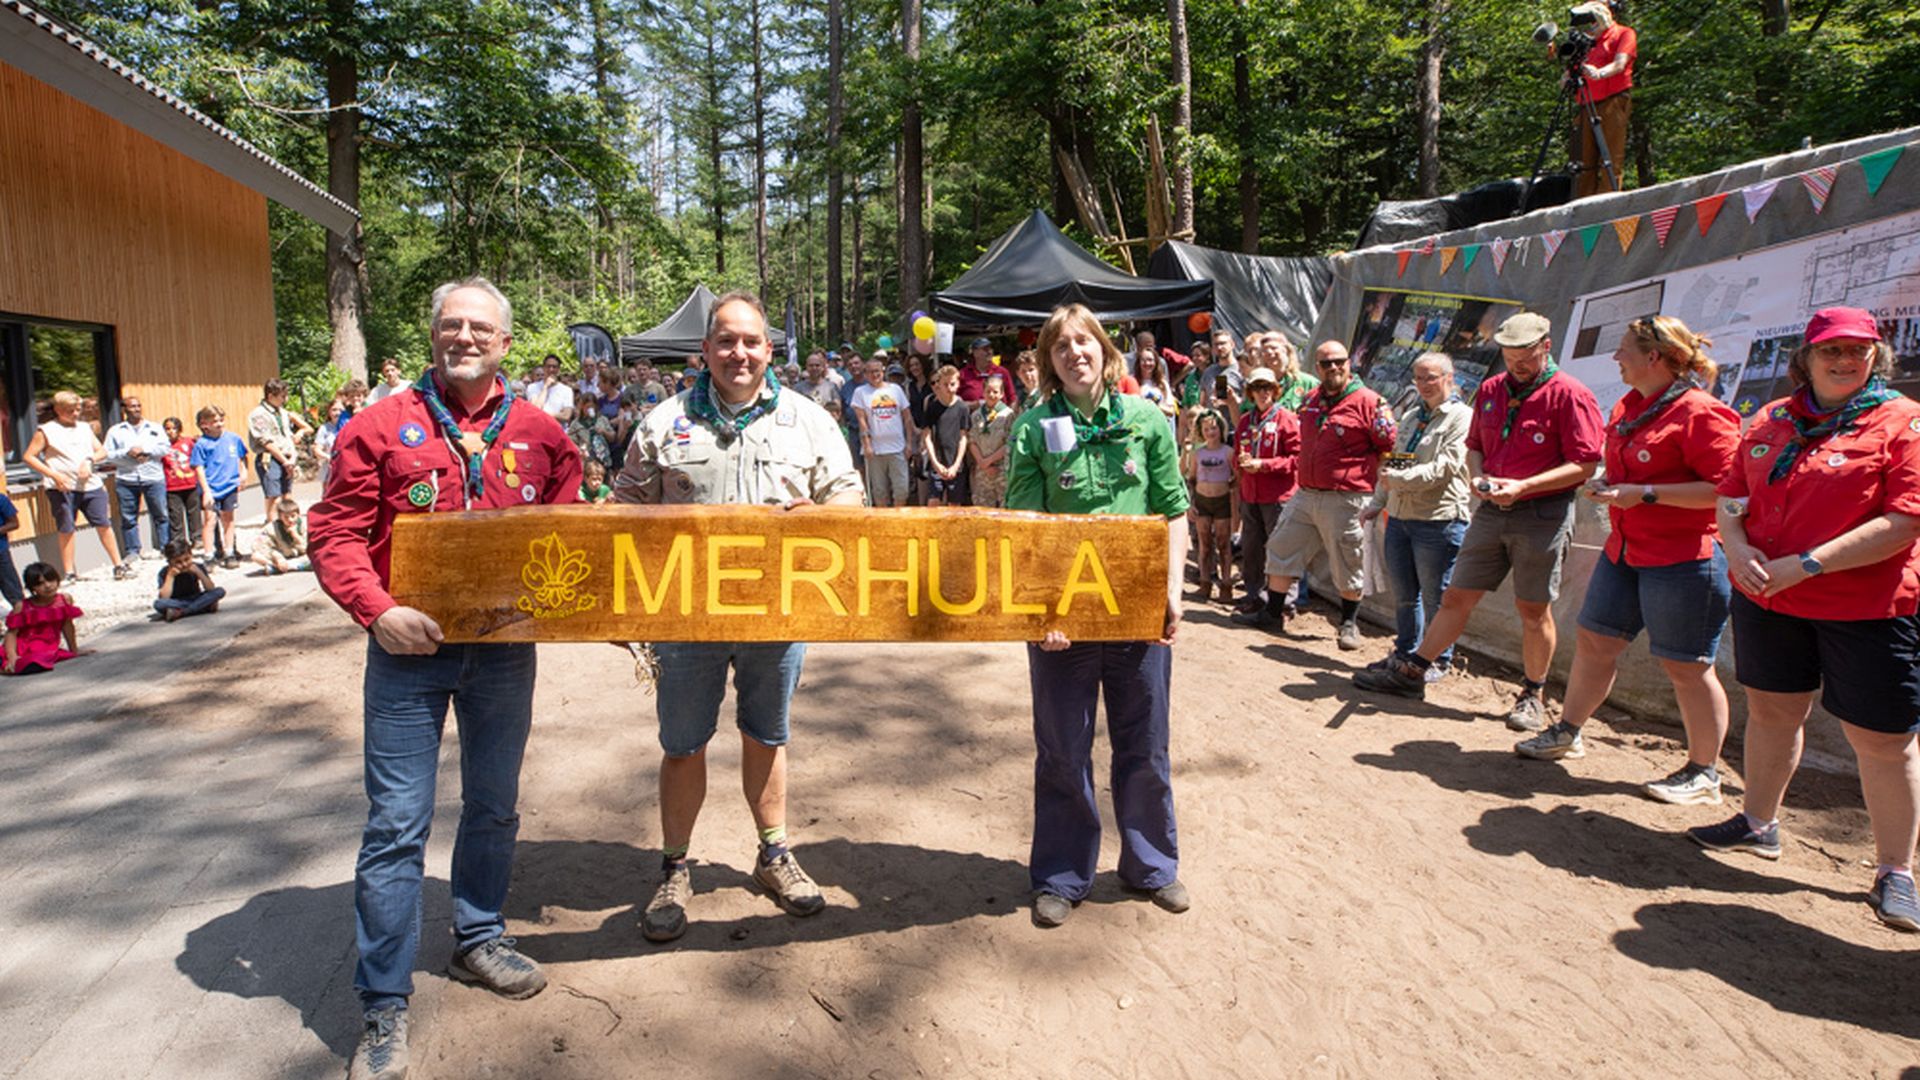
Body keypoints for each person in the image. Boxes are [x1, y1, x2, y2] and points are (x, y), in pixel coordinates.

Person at [310, 277, 581, 1080]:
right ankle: (383, 1004)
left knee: (494, 806)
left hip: (503, 653)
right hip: (406, 654)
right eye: (452, 325)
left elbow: (572, 530)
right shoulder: (376, 426)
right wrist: (375, 609)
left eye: (481, 328)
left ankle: (478, 937)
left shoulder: (541, 430)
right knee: (396, 824)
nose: (466, 337)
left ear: (506, 343)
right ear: (434, 336)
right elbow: (334, 532)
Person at [613, 290, 864, 944]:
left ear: (770, 349)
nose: (739, 353)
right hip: (684, 619)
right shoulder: (662, 423)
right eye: (725, 340)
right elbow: (622, 512)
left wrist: (822, 518)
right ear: (705, 349)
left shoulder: (810, 421)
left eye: (751, 341)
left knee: (766, 733)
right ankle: (674, 867)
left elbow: (851, 504)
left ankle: (774, 853)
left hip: (777, 616)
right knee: (683, 744)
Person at [1684, 307, 1920, 933]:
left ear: (1877, 357)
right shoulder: (1772, 418)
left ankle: (1895, 871)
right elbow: (1732, 496)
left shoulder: (1902, 421)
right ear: (1805, 358)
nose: (1846, 361)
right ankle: (1758, 823)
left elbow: (1906, 521)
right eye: (1831, 351)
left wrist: (1808, 564)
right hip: (1770, 599)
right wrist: (1734, 547)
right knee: (1772, 711)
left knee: (1882, 741)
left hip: (1865, 606)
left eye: (1859, 351)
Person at [1003, 302, 1191, 928]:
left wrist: (1172, 590)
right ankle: (1061, 874)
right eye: (1061, 347)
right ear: (1048, 362)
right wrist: (1041, 613)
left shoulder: (1146, 419)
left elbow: (1172, 511)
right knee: (1063, 747)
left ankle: (1151, 865)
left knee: (1146, 743)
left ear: (1105, 352)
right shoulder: (1034, 428)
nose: (1075, 353)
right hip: (1064, 623)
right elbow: (1025, 532)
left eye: (1085, 343)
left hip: (1138, 613)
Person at [1515, 318, 1740, 803]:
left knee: (1687, 665)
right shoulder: (1631, 407)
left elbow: (1727, 490)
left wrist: (1647, 494)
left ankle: (1704, 773)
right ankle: (1568, 733)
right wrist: (1609, 488)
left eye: (1623, 351)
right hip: (1625, 550)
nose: (1616, 358)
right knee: (1596, 641)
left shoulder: (1701, 411)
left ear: (1653, 358)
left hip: (1684, 558)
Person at [1354, 312, 1604, 731]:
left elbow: (1585, 463)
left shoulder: (1569, 394)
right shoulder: (1488, 391)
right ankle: (1412, 671)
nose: (1515, 365)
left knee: (1532, 609)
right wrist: (1479, 478)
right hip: (1488, 510)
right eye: (1508, 356)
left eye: (1524, 356)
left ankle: (1532, 693)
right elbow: (1474, 449)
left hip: (1540, 513)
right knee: (1454, 597)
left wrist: (1523, 487)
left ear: (1546, 345)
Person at [1238, 343, 1395, 649]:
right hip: (1306, 493)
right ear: (1318, 368)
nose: (1333, 367)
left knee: (1349, 558)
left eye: (1338, 362)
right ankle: (1273, 612)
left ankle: (1349, 623)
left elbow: (1387, 444)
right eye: (1325, 363)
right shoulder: (1310, 400)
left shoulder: (1371, 402)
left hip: (1346, 497)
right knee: (1282, 544)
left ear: (1349, 364)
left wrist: (1376, 490)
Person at [1359, 353, 1472, 679]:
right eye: (1419, 378)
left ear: (1450, 378)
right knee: (1406, 594)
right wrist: (1378, 501)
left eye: (1431, 378)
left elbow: (1446, 468)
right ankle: (1406, 652)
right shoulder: (1410, 415)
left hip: (1438, 520)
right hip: (1400, 518)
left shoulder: (1461, 418)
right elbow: (1395, 464)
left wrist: (1396, 481)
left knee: (1438, 597)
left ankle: (1437, 660)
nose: (1423, 385)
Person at [24, 390, 128, 582]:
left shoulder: (84, 428)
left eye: (77, 409)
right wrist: (52, 474)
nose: (75, 413)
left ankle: (118, 565)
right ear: (58, 409)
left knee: (104, 524)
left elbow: (102, 451)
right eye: (70, 410)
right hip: (62, 488)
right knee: (66, 528)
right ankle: (70, 572)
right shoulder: (46, 430)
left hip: (90, 485)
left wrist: (89, 460)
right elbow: (29, 456)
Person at [1226, 368, 1300, 615]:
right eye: (1257, 387)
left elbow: (1297, 459)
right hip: (1251, 494)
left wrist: (1265, 465)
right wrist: (1241, 462)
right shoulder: (1246, 421)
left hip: (1278, 496)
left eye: (1267, 387)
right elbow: (1236, 454)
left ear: (1275, 390)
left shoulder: (1286, 419)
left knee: (1281, 549)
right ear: (1250, 392)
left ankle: (1284, 602)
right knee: (1251, 548)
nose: (1262, 392)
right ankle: (1255, 595)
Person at [1568, 1, 1635, 199]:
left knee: (1610, 158)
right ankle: (1580, 206)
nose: (1589, 24)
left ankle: (1607, 206)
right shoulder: (1586, 42)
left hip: (1612, 100)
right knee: (1582, 162)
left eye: (1592, 19)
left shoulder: (1624, 33)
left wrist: (1599, 73)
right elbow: (1570, 70)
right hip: (1586, 103)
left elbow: (1620, 63)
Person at [103, 393, 171, 560]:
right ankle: (133, 551)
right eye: (132, 406)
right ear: (124, 409)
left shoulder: (154, 428)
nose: (136, 409)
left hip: (153, 477)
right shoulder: (116, 431)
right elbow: (107, 454)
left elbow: (165, 448)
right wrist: (127, 452)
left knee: (161, 514)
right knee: (128, 517)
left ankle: (165, 547)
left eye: (138, 406)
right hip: (127, 478)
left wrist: (145, 451)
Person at [1183, 408, 1237, 605]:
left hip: (1222, 502)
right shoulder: (1198, 453)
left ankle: (1226, 584)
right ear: (1201, 431)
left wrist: (1233, 503)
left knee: (1224, 545)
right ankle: (1205, 583)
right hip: (1203, 501)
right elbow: (1191, 479)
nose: (1210, 432)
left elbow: (1237, 479)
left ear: (1220, 429)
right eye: (1206, 429)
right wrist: (1191, 504)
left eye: (1213, 428)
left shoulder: (1228, 452)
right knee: (1205, 545)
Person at [850, 356, 917, 507]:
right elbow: (862, 421)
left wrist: (909, 444)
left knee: (902, 490)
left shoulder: (896, 390)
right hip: (875, 451)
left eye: (878, 371)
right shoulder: (860, 392)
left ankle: (898, 521)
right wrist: (867, 445)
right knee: (879, 491)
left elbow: (907, 418)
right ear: (865, 374)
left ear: (883, 371)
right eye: (871, 372)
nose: (875, 375)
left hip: (897, 448)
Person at [3, 562, 87, 675]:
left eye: (51, 580)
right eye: (40, 584)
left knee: (44, 658)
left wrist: (74, 650)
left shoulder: (64, 600)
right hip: (23, 648)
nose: (48, 586)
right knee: (29, 660)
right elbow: (11, 634)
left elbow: (67, 625)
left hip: (48, 648)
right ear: (32, 588)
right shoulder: (23, 606)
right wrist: (13, 656)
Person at [190, 406, 249, 569]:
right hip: (211, 487)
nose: (219, 423)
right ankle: (209, 555)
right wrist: (206, 490)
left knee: (228, 519)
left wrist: (243, 474)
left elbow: (242, 457)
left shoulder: (233, 439)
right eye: (214, 421)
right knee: (209, 520)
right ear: (205, 424)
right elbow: (199, 468)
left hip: (229, 485)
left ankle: (229, 551)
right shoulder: (202, 444)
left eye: (221, 420)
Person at [247, 378, 312, 505]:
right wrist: (285, 462)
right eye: (282, 396)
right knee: (274, 495)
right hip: (271, 458)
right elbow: (267, 443)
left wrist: (300, 433)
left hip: (287, 456)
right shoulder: (258, 415)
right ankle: (272, 522)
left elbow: (307, 428)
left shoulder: (283, 413)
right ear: (270, 396)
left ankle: (286, 521)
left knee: (287, 492)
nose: (286, 400)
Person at [921, 364, 971, 507]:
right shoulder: (932, 408)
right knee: (933, 502)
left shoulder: (962, 408)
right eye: (945, 384)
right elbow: (927, 437)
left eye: (952, 384)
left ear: (958, 384)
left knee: (954, 504)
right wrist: (935, 463)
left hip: (956, 463)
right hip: (937, 462)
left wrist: (956, 465)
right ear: (938, 384)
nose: (949, 388)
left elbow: (963, 437)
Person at [968, 374, 1016, 508]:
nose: (991, 394)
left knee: (1005, 508)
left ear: (1001, 394)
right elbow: (971, 441)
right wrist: (982, 463)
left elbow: (1009, 443)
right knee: (982, 509)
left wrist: (989, 461)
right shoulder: (976, 415)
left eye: (995, 392)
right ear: (983, 393)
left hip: (1001, 470)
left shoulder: (1008, 415)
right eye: (988, 391)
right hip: (982, 471)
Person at [161, 417, 205, 560]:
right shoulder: (162, 446)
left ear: (179, 429)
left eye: (173, 428)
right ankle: (179, 543)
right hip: (172, 485)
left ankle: (197, 538)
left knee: (194, 512)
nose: (170, 432)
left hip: (190, 482)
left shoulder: (188, 442)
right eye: (167, 429)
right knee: (175, 515)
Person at [154, 538, 226, 621]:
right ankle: (203, 607)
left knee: (219, 591)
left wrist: (199, 573)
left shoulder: (197, 567)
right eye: (178, 562)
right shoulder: (164, 572)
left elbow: (210, 588)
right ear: (170, 562)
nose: (184, 564)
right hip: (176, 602)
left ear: (191, 555)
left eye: (186, 559)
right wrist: (170, 577)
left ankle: (182, 612)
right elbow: (164, 597)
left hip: (196, 598)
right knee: (158, 604)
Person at [251, 496, 312, 574]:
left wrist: (295, 535)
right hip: (282, 555)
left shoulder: (303, 525)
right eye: (286, 517)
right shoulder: (271, 528)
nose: (290, 520)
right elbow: (259, 546)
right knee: (255, 556)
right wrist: (276, 556)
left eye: (293, 516)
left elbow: (308, 548)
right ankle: (278, 566)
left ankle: (281, 568)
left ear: (298, 515)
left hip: (299, 556)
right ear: (280, 517)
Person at [525, 354, 576, 421]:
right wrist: (546, 386)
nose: (551, 369)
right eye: (548, 366)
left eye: (554, 367)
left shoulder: (567, 390)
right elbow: (535, 410)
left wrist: (542, 413)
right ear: (543, 368)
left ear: (558, 369)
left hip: (558, 429)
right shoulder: (532, 387)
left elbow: (566, 416)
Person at [956, 337, 1004, 403]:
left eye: (990, 348)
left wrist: (1009, 413)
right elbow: (953, 401)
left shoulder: (1002, 372)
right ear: (975, 353)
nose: (989, 352)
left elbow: (1012, 398)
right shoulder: (963, 374)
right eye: (985, 349)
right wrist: (971, 405)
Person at [0, 489, 21, 612]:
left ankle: (25, 620)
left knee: (11, 588)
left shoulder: (1, 499)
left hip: (1, 551)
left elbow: (14, 523)